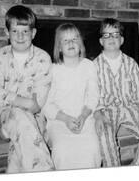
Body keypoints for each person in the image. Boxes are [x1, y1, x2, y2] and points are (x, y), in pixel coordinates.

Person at [0, 5, 54, 173]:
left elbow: (37, 105)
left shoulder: (43, 58)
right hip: (7, 117)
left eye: (25, 31)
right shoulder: (0, 56)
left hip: (36, 119)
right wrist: (21, 101)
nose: (20, 36)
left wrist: (5, 101)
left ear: (34, 33)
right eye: (15, 31)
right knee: (20, 118)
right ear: (7, 33)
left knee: (20, 149)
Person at [93, 18, 139, 167]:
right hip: (106, 110)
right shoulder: (94, 66)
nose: (111, 38)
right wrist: (97, 114)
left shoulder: (130, 63)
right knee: (104, 136)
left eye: (115, 34)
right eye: (106, 35)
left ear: (121, 40)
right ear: (101, 41)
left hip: (131, 106)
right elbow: (91, 94)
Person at [42, 23, 101, 170]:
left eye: (74, 39)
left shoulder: (89, 66)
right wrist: (67, 119)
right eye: (65, 40)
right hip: (59, 121)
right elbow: (46, 104)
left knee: (92, 149)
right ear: (59, 47)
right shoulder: (53, 70)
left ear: (80, 44)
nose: (71, 43)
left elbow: (93, 96)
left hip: (85, 119)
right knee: (62, 152)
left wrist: (83, 116)